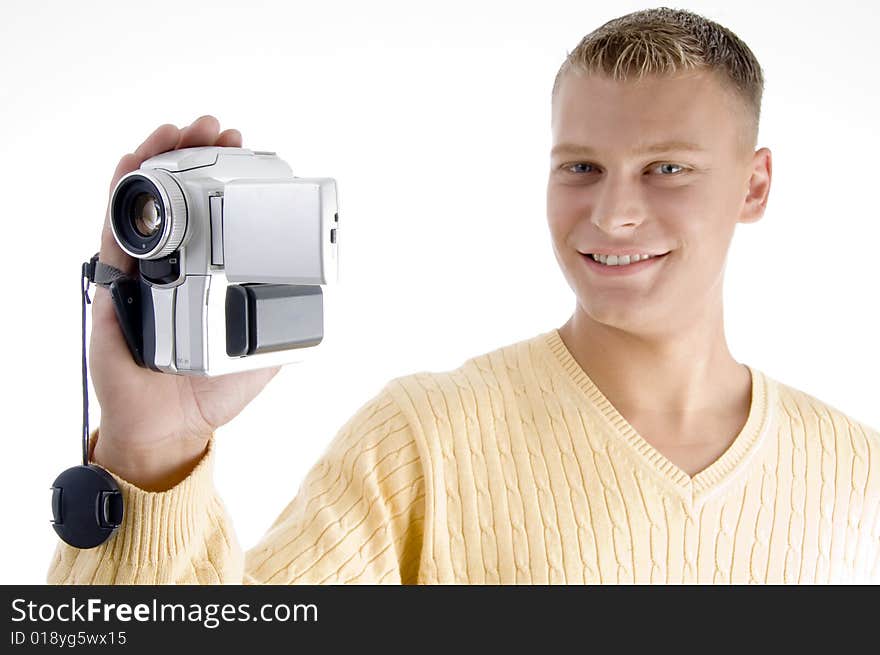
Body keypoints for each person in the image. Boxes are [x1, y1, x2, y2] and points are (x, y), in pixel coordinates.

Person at [48, 6, 880, 585]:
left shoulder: (859, 474)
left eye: (667, 168)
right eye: (580, 166)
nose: (614, 212)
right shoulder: (423, 443)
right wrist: (149, 451)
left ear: (754, 184)